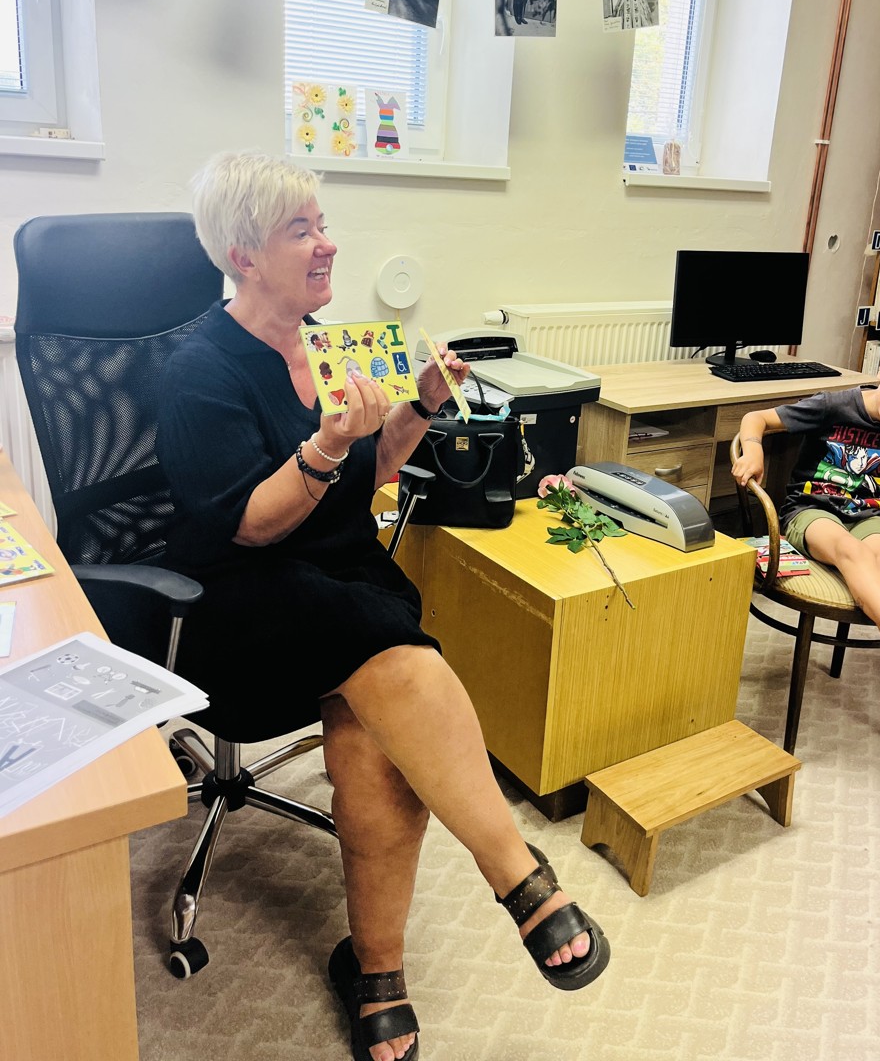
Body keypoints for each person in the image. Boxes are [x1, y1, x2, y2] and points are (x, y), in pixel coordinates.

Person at [156, 153, 610, 1061]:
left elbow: (374, 473)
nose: (327, 244)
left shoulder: (332, 345)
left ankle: (376, 973)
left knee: (375, 741)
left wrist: (418, 409)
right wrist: (326, 446)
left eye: (323, 224)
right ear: (245, 255)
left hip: (336, 584)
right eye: (302, 231)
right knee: (382, 643)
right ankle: (517, 873)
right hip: (240, 600)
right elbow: (248, 526)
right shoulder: (196, 368)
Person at [732, 334, 880, 715]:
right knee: (852, 552)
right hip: (811, 510)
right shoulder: (834, 405)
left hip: (872, 514)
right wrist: (753, 449)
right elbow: (756, 419)